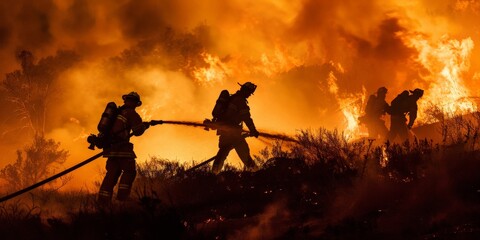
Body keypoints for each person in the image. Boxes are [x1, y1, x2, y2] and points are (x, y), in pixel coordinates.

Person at [98, 91, 149, 205]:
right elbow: (138, 131)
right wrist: (145, 126)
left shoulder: (117, 113)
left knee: (112, 174)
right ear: (136, 103)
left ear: (125, 100)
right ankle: (123, 198)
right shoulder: (131, 113)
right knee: (130, 171)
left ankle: (103, 202)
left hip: (110, 149)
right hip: (122, 148)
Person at [212, 82, 260, 174]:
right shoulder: (240, 101)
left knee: (222, 154)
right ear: (245, 91)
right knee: (245, 155)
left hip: (224, 132)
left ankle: (213, 174)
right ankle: (256, 173)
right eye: (249, 93)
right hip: (234, 134)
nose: (249, 95)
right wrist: (253, 130)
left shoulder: (232, 98)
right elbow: (247, 118)